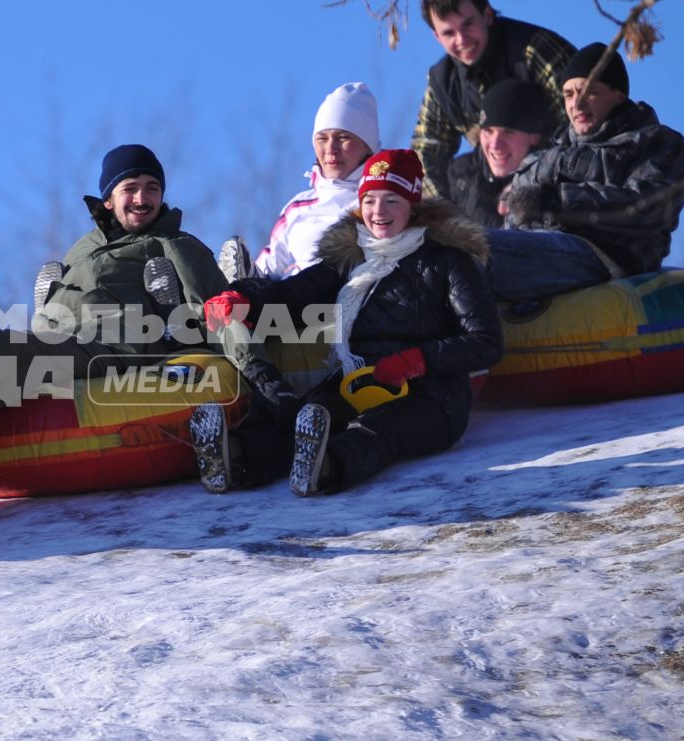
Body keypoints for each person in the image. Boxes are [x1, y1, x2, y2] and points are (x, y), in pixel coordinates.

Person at [192, 149, 502, 495]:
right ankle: (235, 457)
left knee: (375, 429)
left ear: (413, 206)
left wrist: (416, 361)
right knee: (307, 416)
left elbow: (485, 340)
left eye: (391, 201)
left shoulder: (447, 260)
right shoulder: (351, 259)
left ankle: (324, 467)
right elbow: (294, 294)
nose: (378, 212)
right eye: (369, 200)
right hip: (358, 380)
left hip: (432, 396)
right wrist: (245, 299)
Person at [0, 143, 228, 431]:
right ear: (108, 200)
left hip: (114, 345)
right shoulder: (83, 248)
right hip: (66, 334)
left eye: (152, 188)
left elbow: (218, 310)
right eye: (130, 188)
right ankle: (45, 312)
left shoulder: (175, 244)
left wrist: (251, 368)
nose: (142, 198)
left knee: (3, 350)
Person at [487, 43, 684, 301]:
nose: (577, 103)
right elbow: (511, 225)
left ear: (618, 94)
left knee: (486, 255)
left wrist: (557, 202)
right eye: (569, 95)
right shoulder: (541, 158)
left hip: (607, 257)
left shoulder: (657, 143)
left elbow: (648, 207)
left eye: (590, 92)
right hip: (536, 247)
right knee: (457, 251)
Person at [409, 0, 575, 179]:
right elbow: (425, 152)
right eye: (449, 33)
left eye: (468, 24)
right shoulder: (443, 82)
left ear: (487, 14)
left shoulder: (532, 51)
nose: (461, 40)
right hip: (491, 193)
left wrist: (532, 181)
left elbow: (577, 121)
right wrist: (444, 209)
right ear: (437, 36)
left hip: (562, 180)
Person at [249, 82, 381, 277]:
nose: (330, 148)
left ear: (367, 145)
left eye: (343, 137)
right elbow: (268, 267)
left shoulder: (385, 202)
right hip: (296, 302)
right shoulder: (298, 208)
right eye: (322, 138)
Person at [430, 79, 554, 230]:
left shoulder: (555, 173)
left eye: (508, 132)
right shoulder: (460, 176)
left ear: (534, 136)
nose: (495, 145)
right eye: (488, 131)